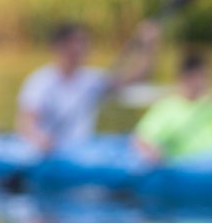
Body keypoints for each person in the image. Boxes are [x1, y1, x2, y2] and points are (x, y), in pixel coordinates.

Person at [18, 20, 160, 152]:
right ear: (60, 46)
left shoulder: (91, 80)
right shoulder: (40, 82)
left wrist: (148, 47)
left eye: (84, 43)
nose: (83, 48)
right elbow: (26, 123)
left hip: (80, 151)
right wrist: (39, 139)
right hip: (49, 150)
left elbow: (138, 77)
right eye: (77, 43)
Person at [133, 51, 212, 164]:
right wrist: (153, 152)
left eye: (207, 77)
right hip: (184, 170)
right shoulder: (166, 107)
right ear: (185, 77)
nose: (204, 82)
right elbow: (141, 139)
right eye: (200, 76)